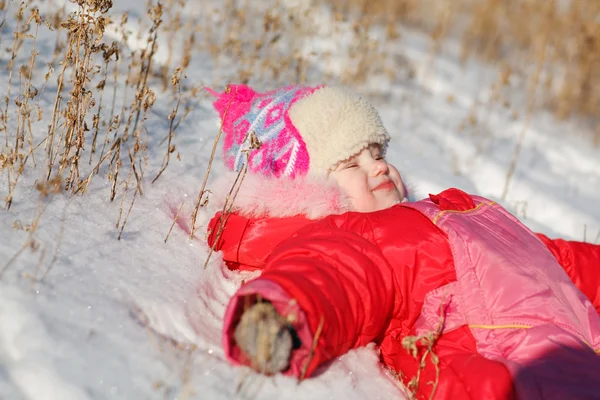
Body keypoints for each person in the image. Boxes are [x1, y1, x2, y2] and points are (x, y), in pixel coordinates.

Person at [203, 83, 600, 399]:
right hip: (520, 370)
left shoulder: (448, 211)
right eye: (352, 163)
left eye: (377, 152)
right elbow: (335, 274)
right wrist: (282, 314)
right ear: (311, 195)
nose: (378, 165)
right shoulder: (364, 236)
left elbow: (556, 259)